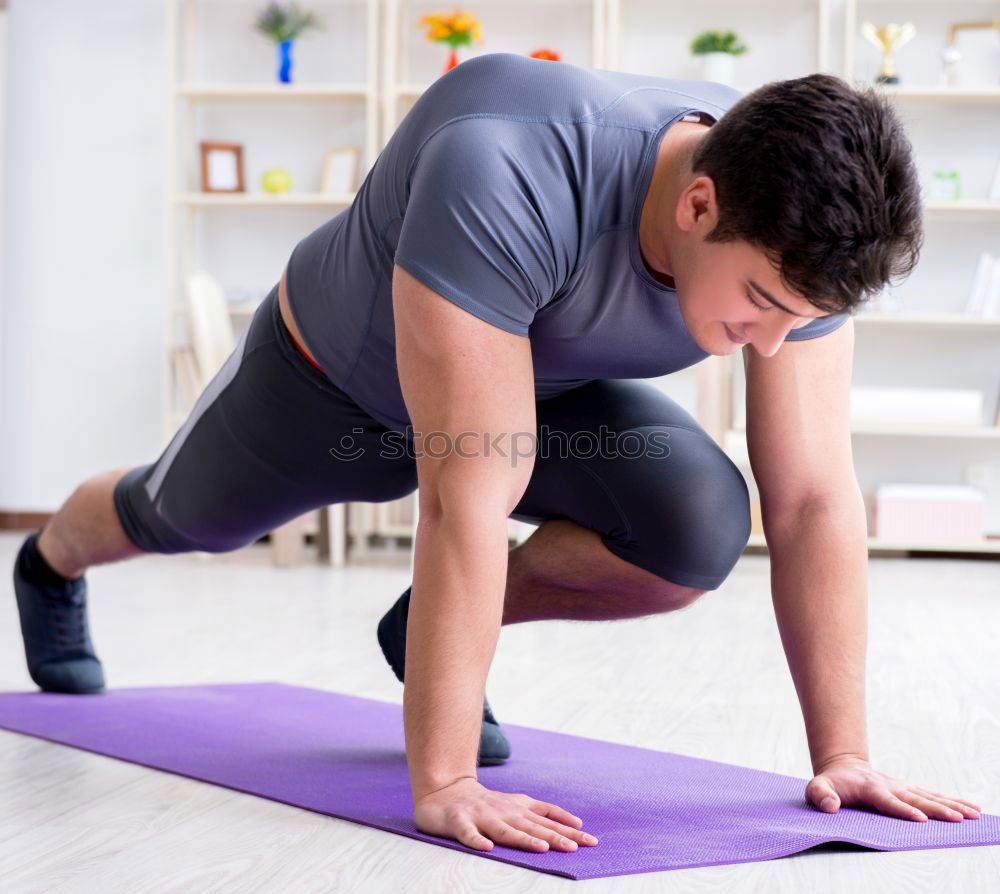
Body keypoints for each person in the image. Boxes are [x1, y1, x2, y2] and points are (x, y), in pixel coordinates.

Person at [13, 53, 982, 856]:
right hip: (325, 384)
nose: (771, 345)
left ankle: (425, 633)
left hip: (537, 393)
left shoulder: (799, 234)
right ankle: (49, 558)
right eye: (759, 308)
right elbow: (467, 497)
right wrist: (443, 781)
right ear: (695, 207)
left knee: (696, 522)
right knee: (174, 516)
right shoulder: (508, 167)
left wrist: (843, 754)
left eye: (798, 321)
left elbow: (811, 497)